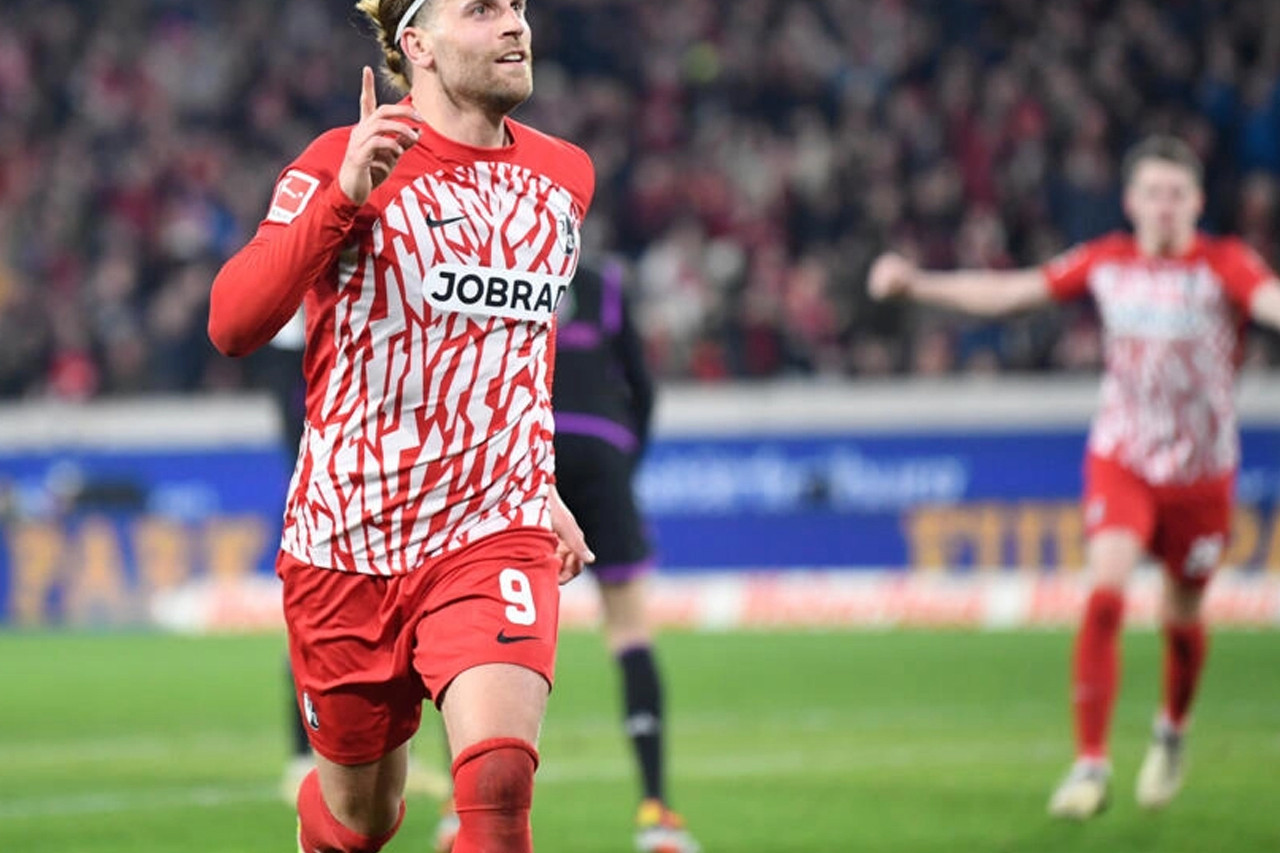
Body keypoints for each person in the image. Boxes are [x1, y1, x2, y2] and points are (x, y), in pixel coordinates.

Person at [207, 0, 596, 850]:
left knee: (495, 787)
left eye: (520, 7)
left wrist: (542, 483)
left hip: (492, 529)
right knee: (361, 816)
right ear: (414, 44)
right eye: (485, 9)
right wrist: (344, 196)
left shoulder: (566, 178)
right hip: (347, 541)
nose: (516, 25)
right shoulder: (343, 161)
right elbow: (232, 324)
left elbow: (514, 346)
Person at [867, 135, 1280, 820]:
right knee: (1107, 593)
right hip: (1122, 458)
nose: (1165, 205)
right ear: (1131, 201)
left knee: (1181, 617)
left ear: (1198, 202)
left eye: (1177, 193)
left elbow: (1269, 300)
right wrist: (918, 283)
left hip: (1203, 474)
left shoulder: (1223, 264)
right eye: (1153, 192)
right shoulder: (1107, 262)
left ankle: (1170, 731)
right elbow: (1011, 292)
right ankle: (1090, 762)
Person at [433, 259, 701, 853]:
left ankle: (460, 811)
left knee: (462, 623)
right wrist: (623, 464)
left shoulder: (491, 264)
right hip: (602, 449)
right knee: (630, 631)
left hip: (526, 450)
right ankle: (657, 813)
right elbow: (643, 386)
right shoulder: (604, 283)